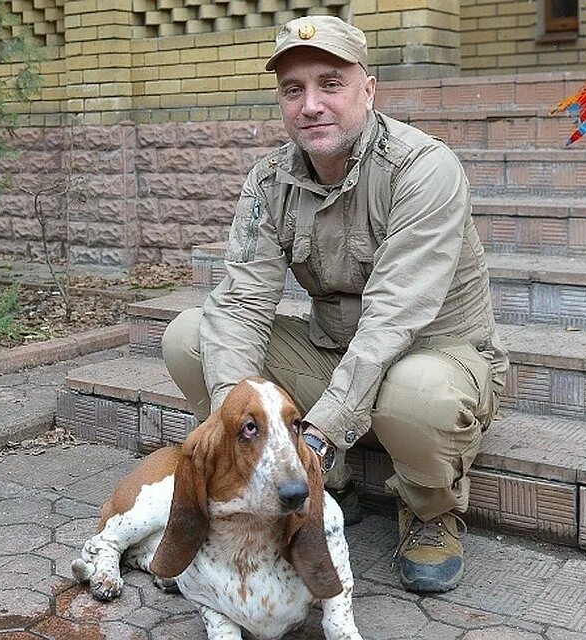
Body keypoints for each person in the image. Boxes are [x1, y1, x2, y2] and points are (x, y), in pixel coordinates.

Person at [160, 15, 508, 594]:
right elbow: (243, 301)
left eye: (331, 84)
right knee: (191, 335)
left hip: (436, 359)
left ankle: (429, 512)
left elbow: (394, 317)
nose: (311, 105)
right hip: (335, 355)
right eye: (293, 90)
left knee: (415, 393)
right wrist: (235, 426)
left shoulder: (424, 169)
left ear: (367, 90)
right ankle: (309, 481)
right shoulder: (270, 181)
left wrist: (316, 434)